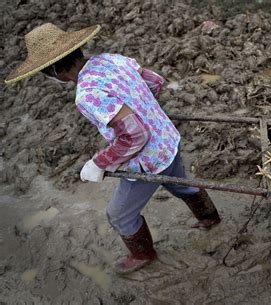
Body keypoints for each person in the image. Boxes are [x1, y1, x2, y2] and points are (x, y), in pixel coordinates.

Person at [5, 23, 221, 273]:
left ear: (53, 70)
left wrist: (98, 162)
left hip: (148, 159)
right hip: (168, 139)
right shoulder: (110, 59)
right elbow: (156, 81)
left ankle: (143, 254)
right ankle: (209, 217)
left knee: (119, 214)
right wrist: (140, 104)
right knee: (179, 182)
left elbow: (135, 136)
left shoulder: (87, 94)